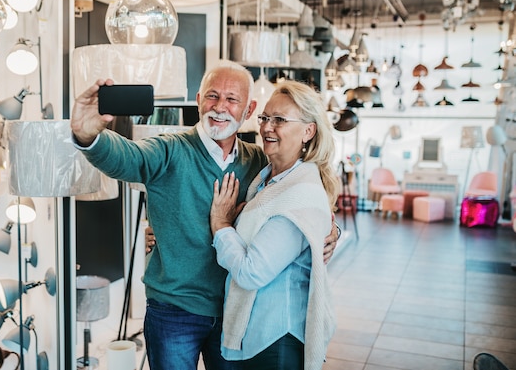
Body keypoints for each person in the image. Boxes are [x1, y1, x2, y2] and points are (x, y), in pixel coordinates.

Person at [70, 60, 339, 370]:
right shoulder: (169, 151)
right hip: (174, 310)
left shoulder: (258, 162)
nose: (219, 107)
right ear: (199, 101)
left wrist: (330, 230)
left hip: (233, 311)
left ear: (248, 110)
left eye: (231, 99)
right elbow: (128, 158)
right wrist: (88, 136)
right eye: (212, 96)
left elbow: (298, 196)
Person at [209, 81, 338, 370]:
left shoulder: (299, 193)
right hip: (255, 332)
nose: (267, 127)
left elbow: (251, 272)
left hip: (274, 337)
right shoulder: (266, 178)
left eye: (279, 120)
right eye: (265, 118)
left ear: (308, 130)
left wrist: (220, 224)